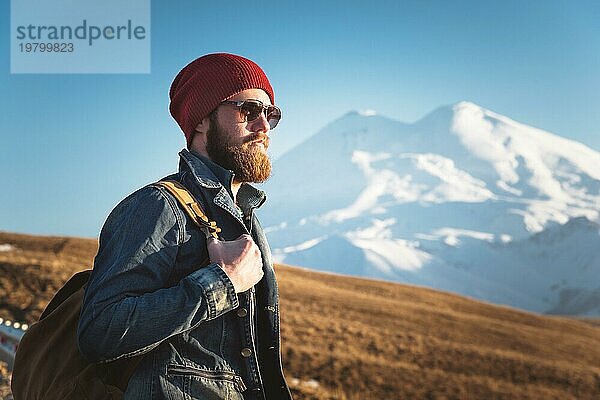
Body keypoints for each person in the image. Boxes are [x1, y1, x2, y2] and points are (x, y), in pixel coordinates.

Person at [77, 53, 293, 400]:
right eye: (248, 111)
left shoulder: (247, 217)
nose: (264, 126)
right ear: (202, 121)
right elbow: (100, 331)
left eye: (271, 114)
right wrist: (222, 283)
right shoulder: (157, 205)